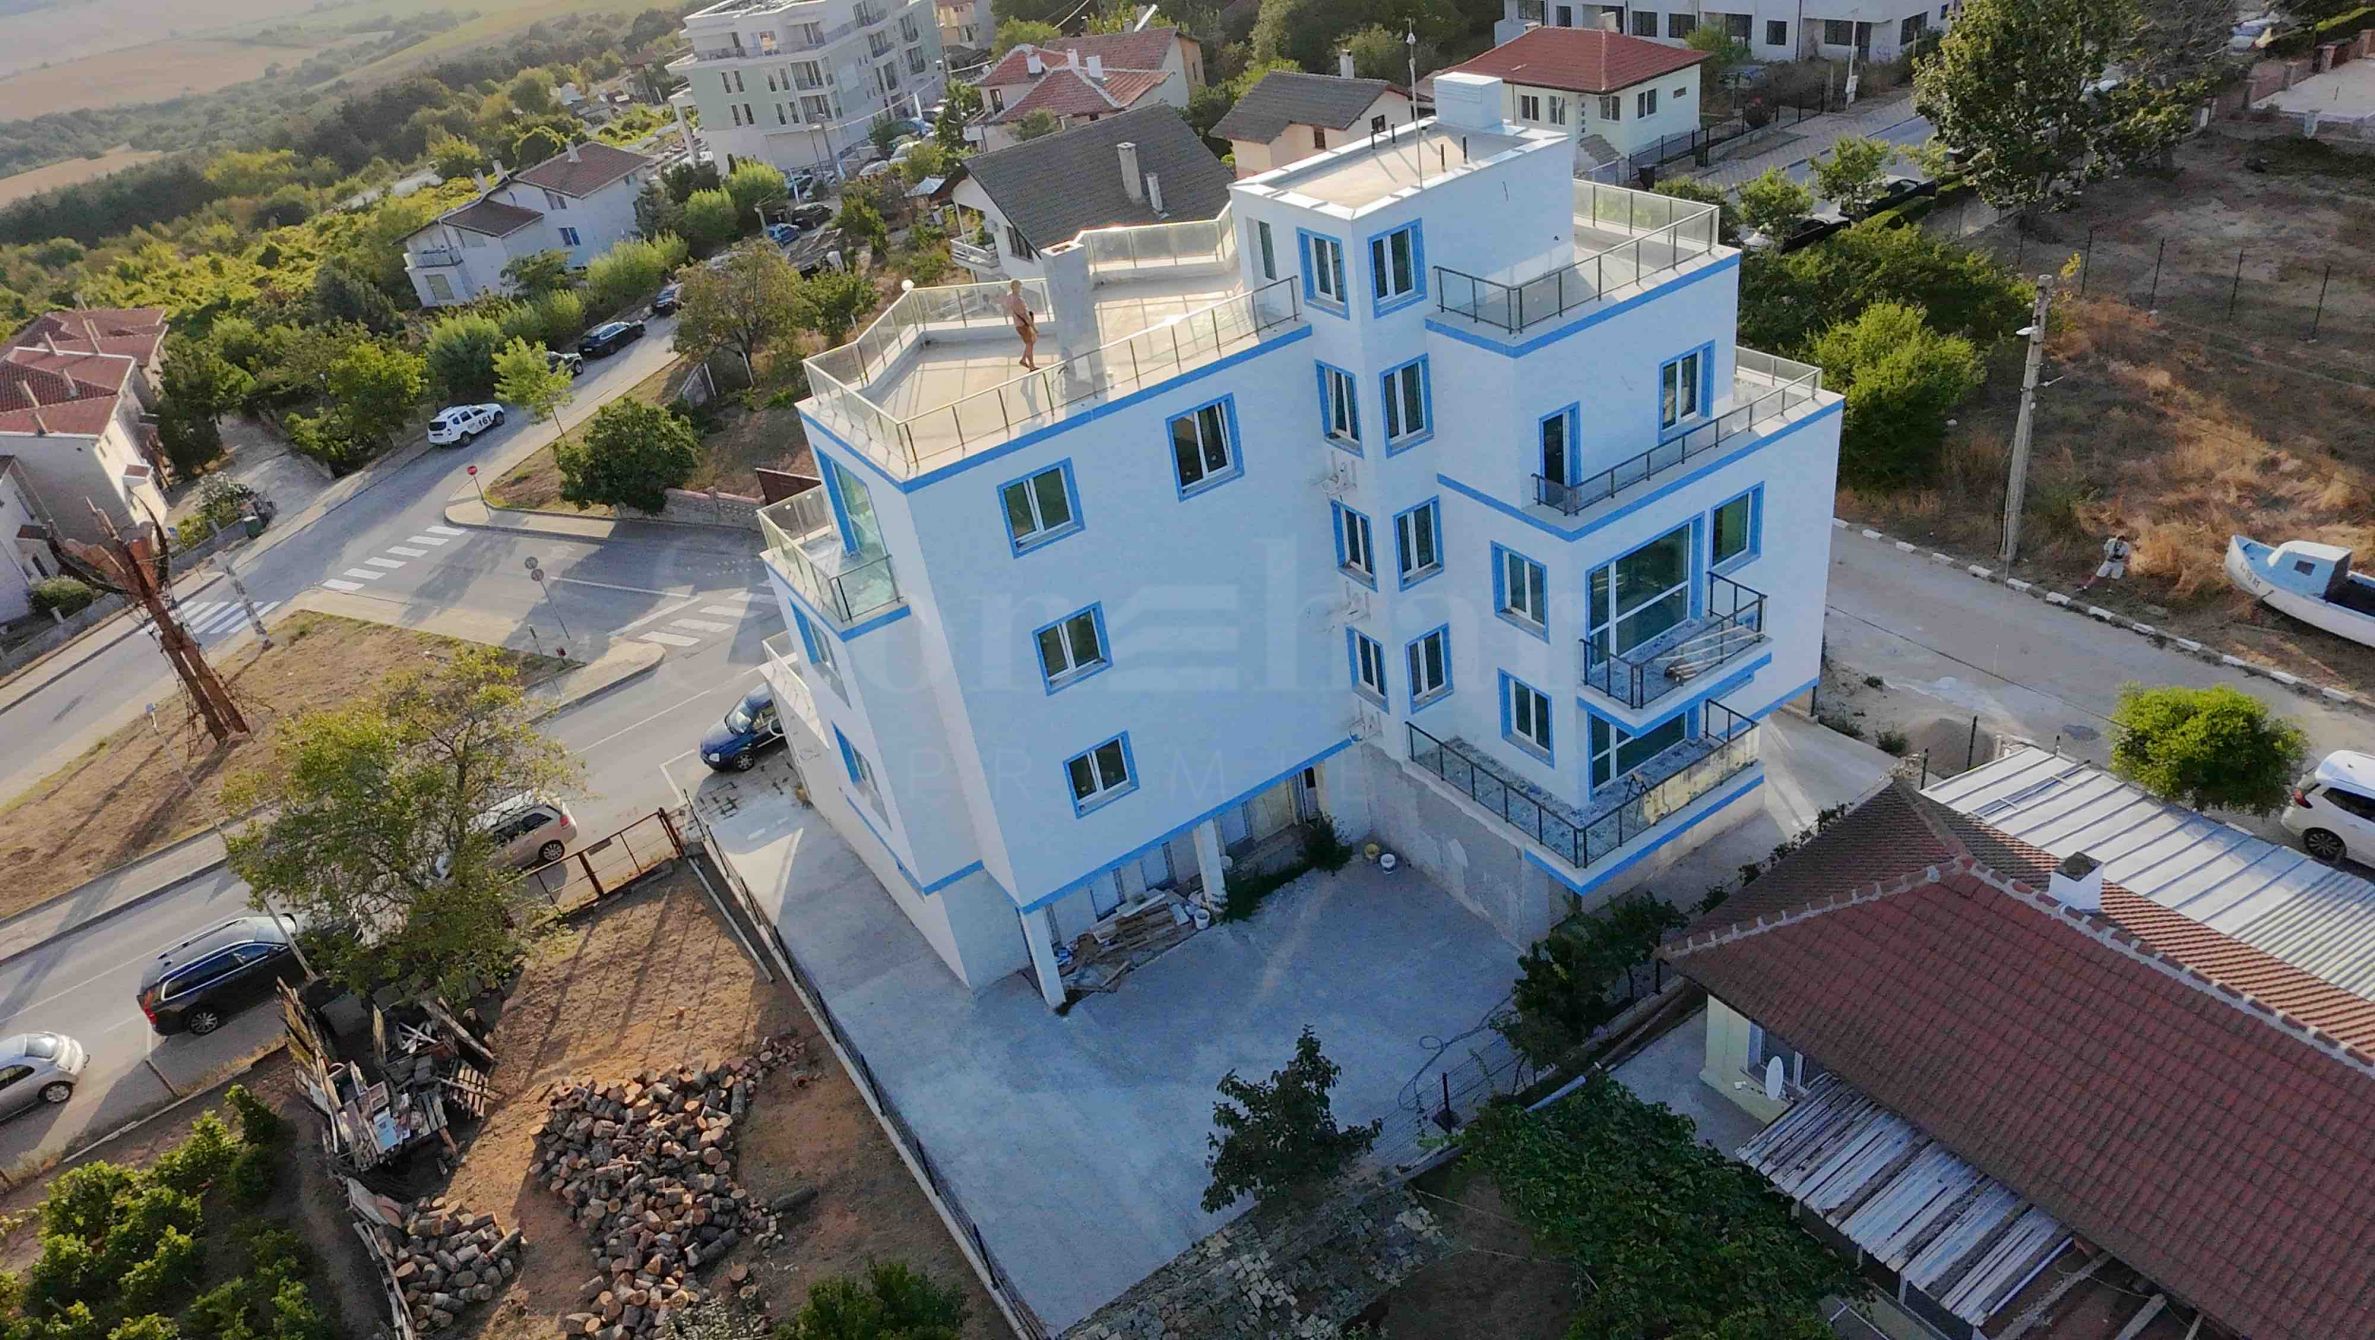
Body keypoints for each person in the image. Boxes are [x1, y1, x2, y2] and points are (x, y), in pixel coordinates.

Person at [1004, 279, 1038, 371]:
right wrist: (1033, 327)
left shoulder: (1009, 297)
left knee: (1030, 342)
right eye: (1019, 287)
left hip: (1017, 324)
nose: (1020, 288)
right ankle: (1031, 365)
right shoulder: (1019, 300)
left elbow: (1007, 308)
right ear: (1015, 287)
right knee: (1030, 343)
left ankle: (1023, 360)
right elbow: (1025, 315)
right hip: (1023, 325)